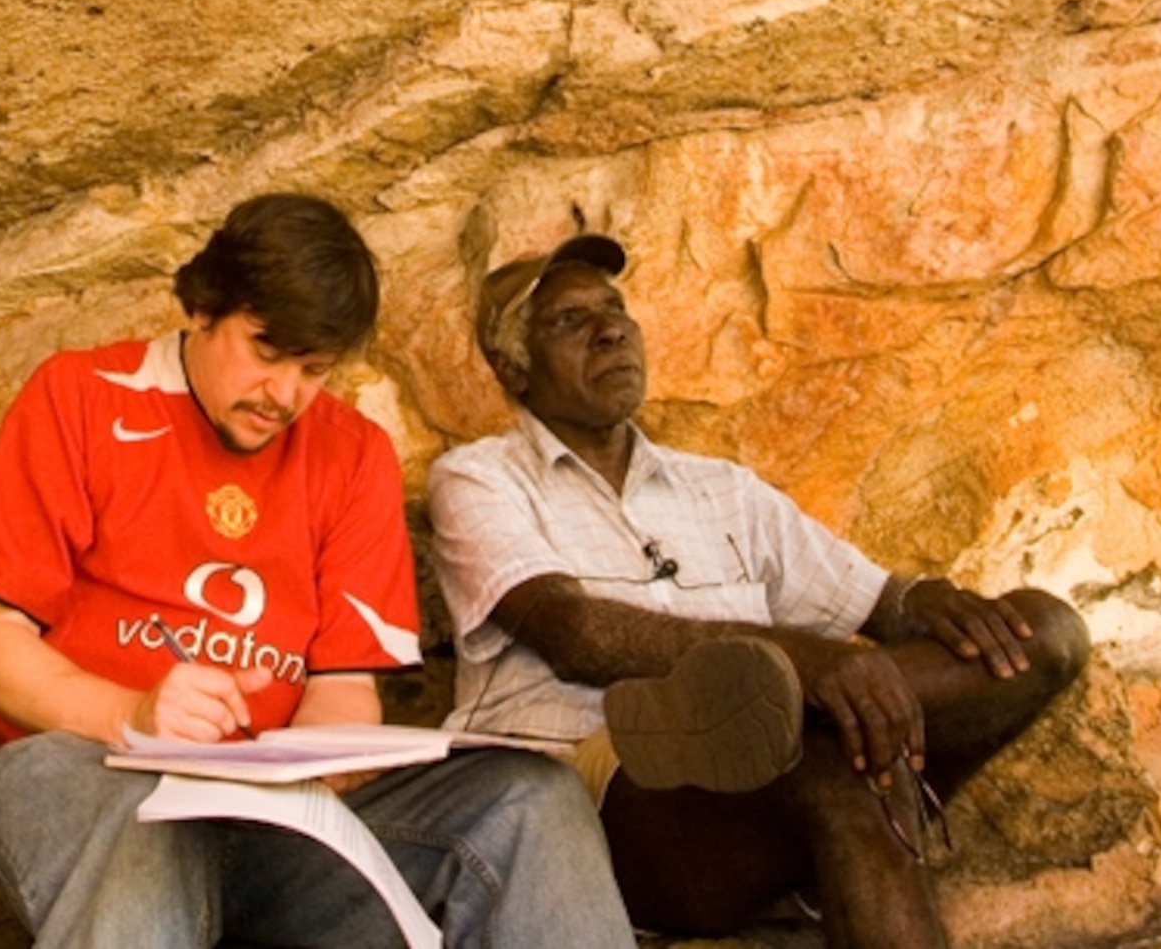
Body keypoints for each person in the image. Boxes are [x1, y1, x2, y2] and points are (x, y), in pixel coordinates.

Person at [0, 192, 633, 949]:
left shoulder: (353, 454)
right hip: (87, 768)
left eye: (314, 370)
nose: (284, 394)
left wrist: (305, 775)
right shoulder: (79, 397)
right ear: (202, 308)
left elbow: (343, 687)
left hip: (268, 815)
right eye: (266, 352)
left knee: (532, 798)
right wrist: (137, 719)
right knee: (143, 831)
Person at [428, 234, 1087, 949]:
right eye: (567, 321)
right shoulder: (480, 478)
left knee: (1041, 633)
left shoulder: (722, 490)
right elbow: (575, 636)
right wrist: (802, 665)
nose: (610, 329)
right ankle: (782, 718)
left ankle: (789, 724)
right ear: (513, 368)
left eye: (615, 309)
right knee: (833, 766)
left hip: (755, 783)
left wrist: (925, 602)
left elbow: (880, 602)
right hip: (595, 792)